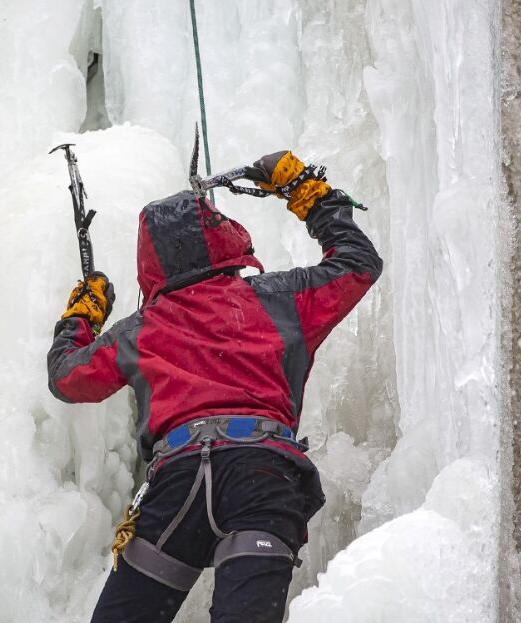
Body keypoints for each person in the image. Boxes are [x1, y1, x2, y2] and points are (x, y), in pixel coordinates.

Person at [47, 150, 382, 622]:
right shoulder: (277, 299)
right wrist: (309, 192)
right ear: (223, 238)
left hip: (178, 488)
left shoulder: (143, 329)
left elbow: (67, 378)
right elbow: (357, 264)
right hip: (262, 480)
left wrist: (81, 316)